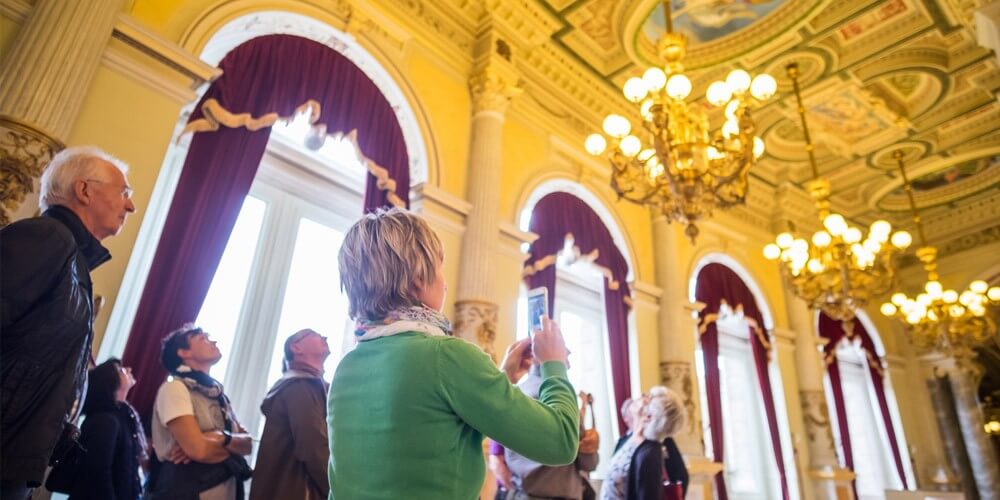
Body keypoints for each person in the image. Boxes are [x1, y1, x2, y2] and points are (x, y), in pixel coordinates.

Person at [329, 208, 580, 499]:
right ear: (417, 279)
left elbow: (435, 434)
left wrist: (503, 377)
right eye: (439, 267)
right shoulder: (447, 356)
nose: (445, 282)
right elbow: (561, 442)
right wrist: (554, 364)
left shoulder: (347, 366)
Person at [1, 146, 136, 499]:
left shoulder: (73, 259)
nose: (131, 206)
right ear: (85, 190)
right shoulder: (48, 239)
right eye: (124, 192)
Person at [144, 326, 253, 500]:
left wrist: (220, 437)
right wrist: (231, 446)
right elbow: (199, 450)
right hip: (184, 490)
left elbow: (248, 444)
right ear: (183, 352)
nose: (214, 341)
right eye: (204, 338)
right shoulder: (175, 388)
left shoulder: (219, 395)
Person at [490, 363, 599, 500]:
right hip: (560, 493)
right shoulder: (564, 405)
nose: (569, 360)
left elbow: (500, 452)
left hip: (521, 494)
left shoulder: (511, 397)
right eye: (565, 351)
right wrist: (590, 450)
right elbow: (588, 464)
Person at [46, 358, 148, 499]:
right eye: (121, 370)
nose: (129, 370)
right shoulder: (105, 421)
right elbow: (98, 473)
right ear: (109, 382)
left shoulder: (122, 416)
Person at [249, 329, 331, 500]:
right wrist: (337, 490)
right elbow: (313, 448)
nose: (324, 337)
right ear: (296, 347)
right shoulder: (299, 386)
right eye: (314, 334)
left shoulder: (308, 385)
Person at [601, 387, 686, 500]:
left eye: (648, 397)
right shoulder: (632, 440)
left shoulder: (649, 454)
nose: (642, 395)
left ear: (649, 416)